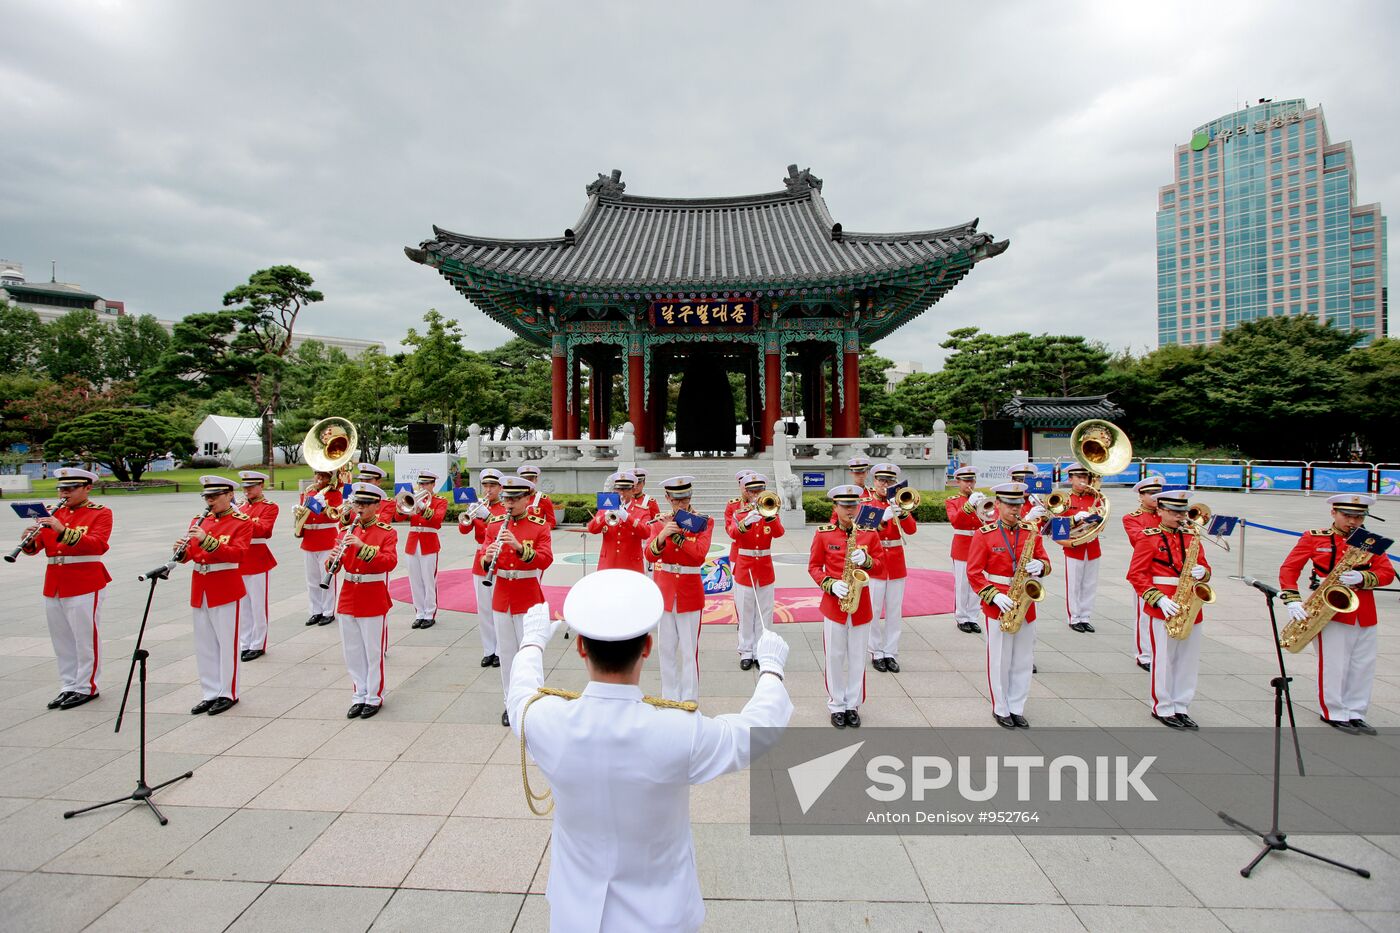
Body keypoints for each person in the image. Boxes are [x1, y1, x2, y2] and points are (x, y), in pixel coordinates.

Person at [507, 570, 792, 933]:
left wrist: (532, 642)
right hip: (662, 917)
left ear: (580, 647)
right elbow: (756, 732)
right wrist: (771, 670)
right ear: (647, 648)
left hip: (575, 916)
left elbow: (519, 697)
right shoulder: (677, 730)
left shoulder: (547, 719)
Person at [1279, 493, 1396, 735]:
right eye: (1347, 516)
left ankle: (1356, 711)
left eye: (1359, 516)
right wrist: (1292, 599)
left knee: (1363, 665)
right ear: (1333, 513)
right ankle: (1333, 711)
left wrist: (1363, 577)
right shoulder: (1314, 538)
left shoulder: (1370, 541)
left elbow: (1386, 572)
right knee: (1334, 663)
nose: (1353, 522)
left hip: (1364, 610)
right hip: (1328, 610)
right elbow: (1290, 567)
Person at [18, 467, 111, 710]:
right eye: (61, 488)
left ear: (87, 488)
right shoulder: (51, 513)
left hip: (84, 580)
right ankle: (68, 685)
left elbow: (98, 545)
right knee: (62, 639)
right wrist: (28, 540)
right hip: (55, 581)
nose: (64, 493)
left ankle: (87, 686)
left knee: (84, 639)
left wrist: (62, 530)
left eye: (70, 488)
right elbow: (37, 547)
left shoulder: (100, 513)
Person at [966, 482, 1051, 729]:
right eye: (1011, 505)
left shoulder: (1030, 530)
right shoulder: (985, 534)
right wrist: (992, 595)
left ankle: (1017, 706)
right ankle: (1001, 707)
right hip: (999, 600)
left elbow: (1045, 561)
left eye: (1019, 504)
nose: (1016, 509)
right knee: (1000, 659)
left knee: (1024, 658)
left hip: (1025, 599)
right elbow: (974, 573)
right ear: (999, 505)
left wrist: (1041, 566)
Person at [1126, 487, 1211, 730]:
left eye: (1182, 512)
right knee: (1163, 658)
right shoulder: (1148, 536)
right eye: (1174, 511)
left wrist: (1203, 572)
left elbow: (1205, 565)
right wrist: (1158, 599)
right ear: (1161, 510)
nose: (1180, 516)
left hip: (1190, 604)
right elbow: (1136, 574)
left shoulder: (1192, 537)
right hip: (1163, 604)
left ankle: (1181, 705)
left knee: (1188, 660)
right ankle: (1162, 706)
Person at [808, 484, 886, 728]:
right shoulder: (823, 534)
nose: (850, 510)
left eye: (854, 505)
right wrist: (829, 584)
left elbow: (882, 567)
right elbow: (813, 567)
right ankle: (836, 704)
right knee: (834, 656)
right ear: (835, 507)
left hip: (861, 604)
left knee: (857, 657)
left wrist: (869, 560)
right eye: (845, 506)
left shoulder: (870, 534)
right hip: (834, 604)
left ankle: (853, 704)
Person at [177, 476, 253, 716]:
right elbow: (191, 553)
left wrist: (206, 540)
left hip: (225, 584)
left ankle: (228, 692)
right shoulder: (200, 520)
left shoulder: (242, 522)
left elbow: (237, 554)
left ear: (230, 495)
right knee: (205, 644)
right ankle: (209, 692)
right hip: (201, 585)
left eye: (215, 496)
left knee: (226, 643)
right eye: (207, 497)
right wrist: (181, 552)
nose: (210, 501)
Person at [484, 475, 554, 726]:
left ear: (527, 498)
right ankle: (509, 703)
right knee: (507, 654)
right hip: (502, 595)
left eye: (514, 499)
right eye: (506, 498)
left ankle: (532, 702)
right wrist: (487, 557)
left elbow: (545, 559)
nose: (509, 504)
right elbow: (483, 553)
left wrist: (519, 547)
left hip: (528, 595)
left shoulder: (538, 526)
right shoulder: (494, 526)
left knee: (530, 654)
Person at [327, 482, 398, 719]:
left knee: (372, 650)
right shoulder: (346, 531)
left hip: (372, 593)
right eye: (358, 503)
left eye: (366, 504)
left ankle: (374, 696)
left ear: (377, 505)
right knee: (352, 650)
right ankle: (359, 693)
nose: (360, 508)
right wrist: (332, 561)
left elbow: (389, 562)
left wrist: (363, 547)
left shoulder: (387, 532)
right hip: (348, 593)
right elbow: (333, 566)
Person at [644, 476, 713, 702]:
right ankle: (669, 696)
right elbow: (649, 555)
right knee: (666, 649)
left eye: (685, 499)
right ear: (668, 498)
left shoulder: (702, 522)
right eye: (676, 500)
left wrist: (676, 534)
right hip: (665, 590)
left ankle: (690, 698)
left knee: (688, 649)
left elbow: (699, 555)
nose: (681, 505)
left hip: (689, 590)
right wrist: (662, 535)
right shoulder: (658, 522)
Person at [727, 472, 784, 670]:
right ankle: (746, 650)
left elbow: (779, 532)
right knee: (746, 610)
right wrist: (745, 523)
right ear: (747, 493)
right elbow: (732, 533)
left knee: (765, 612)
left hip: (765, 566)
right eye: (752, 491)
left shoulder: (770, 512)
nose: (756, 495)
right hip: (745, 565)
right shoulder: (740, 514)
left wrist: (770, 518)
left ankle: (761, 651)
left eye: (759, 491)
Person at [867, 463, 917, 673]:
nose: (884, 484)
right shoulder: (867, 503)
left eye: (889, 481)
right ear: (874, 482)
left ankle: (890, 652)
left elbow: (912, 530)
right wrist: (882, 517)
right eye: (881, 480)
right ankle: (876, 652)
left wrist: (902, 513)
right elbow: (862, 531)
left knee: (894, 612)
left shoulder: (899, 503)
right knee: (874, 609)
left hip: (896, 562)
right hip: (876, 562)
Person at [459, 468, 505, 667]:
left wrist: (487, 517)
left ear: (500, 487)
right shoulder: (479, 506)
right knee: (484, 608)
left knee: (500, 609)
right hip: (481, 558)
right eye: (485, 485)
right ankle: (489, 649)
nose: (488, 489)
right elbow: (463, 529)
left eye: (492, 486)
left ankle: (502, 649)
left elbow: (503, 532)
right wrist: (470, 512)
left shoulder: (506, 508)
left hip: (501, 558)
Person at [1121, 474, 1165, 672]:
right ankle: (1144, 654)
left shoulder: (1166, 515)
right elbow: (1139, 540)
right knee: (1144, 615)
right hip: (1146, 570)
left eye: (1159, 493)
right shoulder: (1132, 518)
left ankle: (1161, 650)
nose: (1157, 497)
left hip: (1168, 571)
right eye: (1152, 493)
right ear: (1141, 496)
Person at [236, 470, 278, 662]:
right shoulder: (241, 507)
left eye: (251, 486)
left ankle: (258, 643)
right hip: (241, 558)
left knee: (257, 605)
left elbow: (264, 531)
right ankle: (245, 642)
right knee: (243, 606)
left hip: (258, 557)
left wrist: (241, 518)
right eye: (245, 487)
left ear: (261, 486)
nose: (247, 490)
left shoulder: (269, 507)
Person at [1057, 464, 1102, 634]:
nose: (1083, 480)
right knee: (1074, 584)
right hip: (1074, 547)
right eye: (1079, 477)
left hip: (1092, 547)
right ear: (1070, 479)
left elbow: (1102, 520)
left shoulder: (1096, 498)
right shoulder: (1065, 499)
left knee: (1090, 584)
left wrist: (1096, 520)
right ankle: (1074, 617)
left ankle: (1085, 617)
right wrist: (1074, 520)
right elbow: (1058, 528)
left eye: (1086, 477)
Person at [401, 470, 448, 629]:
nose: (423, 486)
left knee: (429, 580)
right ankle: (419, 613)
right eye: (421, 483)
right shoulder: (414, 498)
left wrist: (421, 506)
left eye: (427, 483)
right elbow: (399, 517)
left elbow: (436, 521)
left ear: (433, 484)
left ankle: (429, 613)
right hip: (413, 542)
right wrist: (404, 504)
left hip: (429, 541)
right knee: (415, 581)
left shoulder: (440, 501)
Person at [297, 469, 343, 626]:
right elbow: (304, 514)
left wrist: (324, 507)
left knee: (327, 577)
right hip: (310, 537)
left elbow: (336, 515)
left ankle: (328, 611)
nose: (319, 479)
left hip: (326, 538)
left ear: (329, 479)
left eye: (323, 476)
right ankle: (315, 610)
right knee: (312, 579)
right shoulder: (308, 492)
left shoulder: (334, 494)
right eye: (318, 475)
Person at [944, 465, 987, 635]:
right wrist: (969, 505)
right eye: (965, 480)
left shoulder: (981, 500)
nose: (969, 483)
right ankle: (962, 617)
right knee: (962, 584)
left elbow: (991, 520)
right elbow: (956, 521)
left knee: (977, 583)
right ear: (958, 482)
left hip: (979, 544)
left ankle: (973, 617)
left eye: (972, 480)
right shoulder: (953, 501)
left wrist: (983, 506)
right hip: (962, 545)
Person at [585, 470, 648, 571]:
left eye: (626, 489)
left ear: (633, 490)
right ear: (614, 490)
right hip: (608, 563)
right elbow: (592, 529)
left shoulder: (641, 510)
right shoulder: (606, 508)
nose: (622, 493)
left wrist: (627, 517)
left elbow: (646, 533)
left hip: (631, 565)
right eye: (619, 489)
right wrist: (605, 515)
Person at [519, 464, 558, 529]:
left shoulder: (543, 499)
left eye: (530, 480)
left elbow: (551, 522)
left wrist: (541, 530)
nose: (528, 483)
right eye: (525, 480)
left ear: (536, 480)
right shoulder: (514, 498)